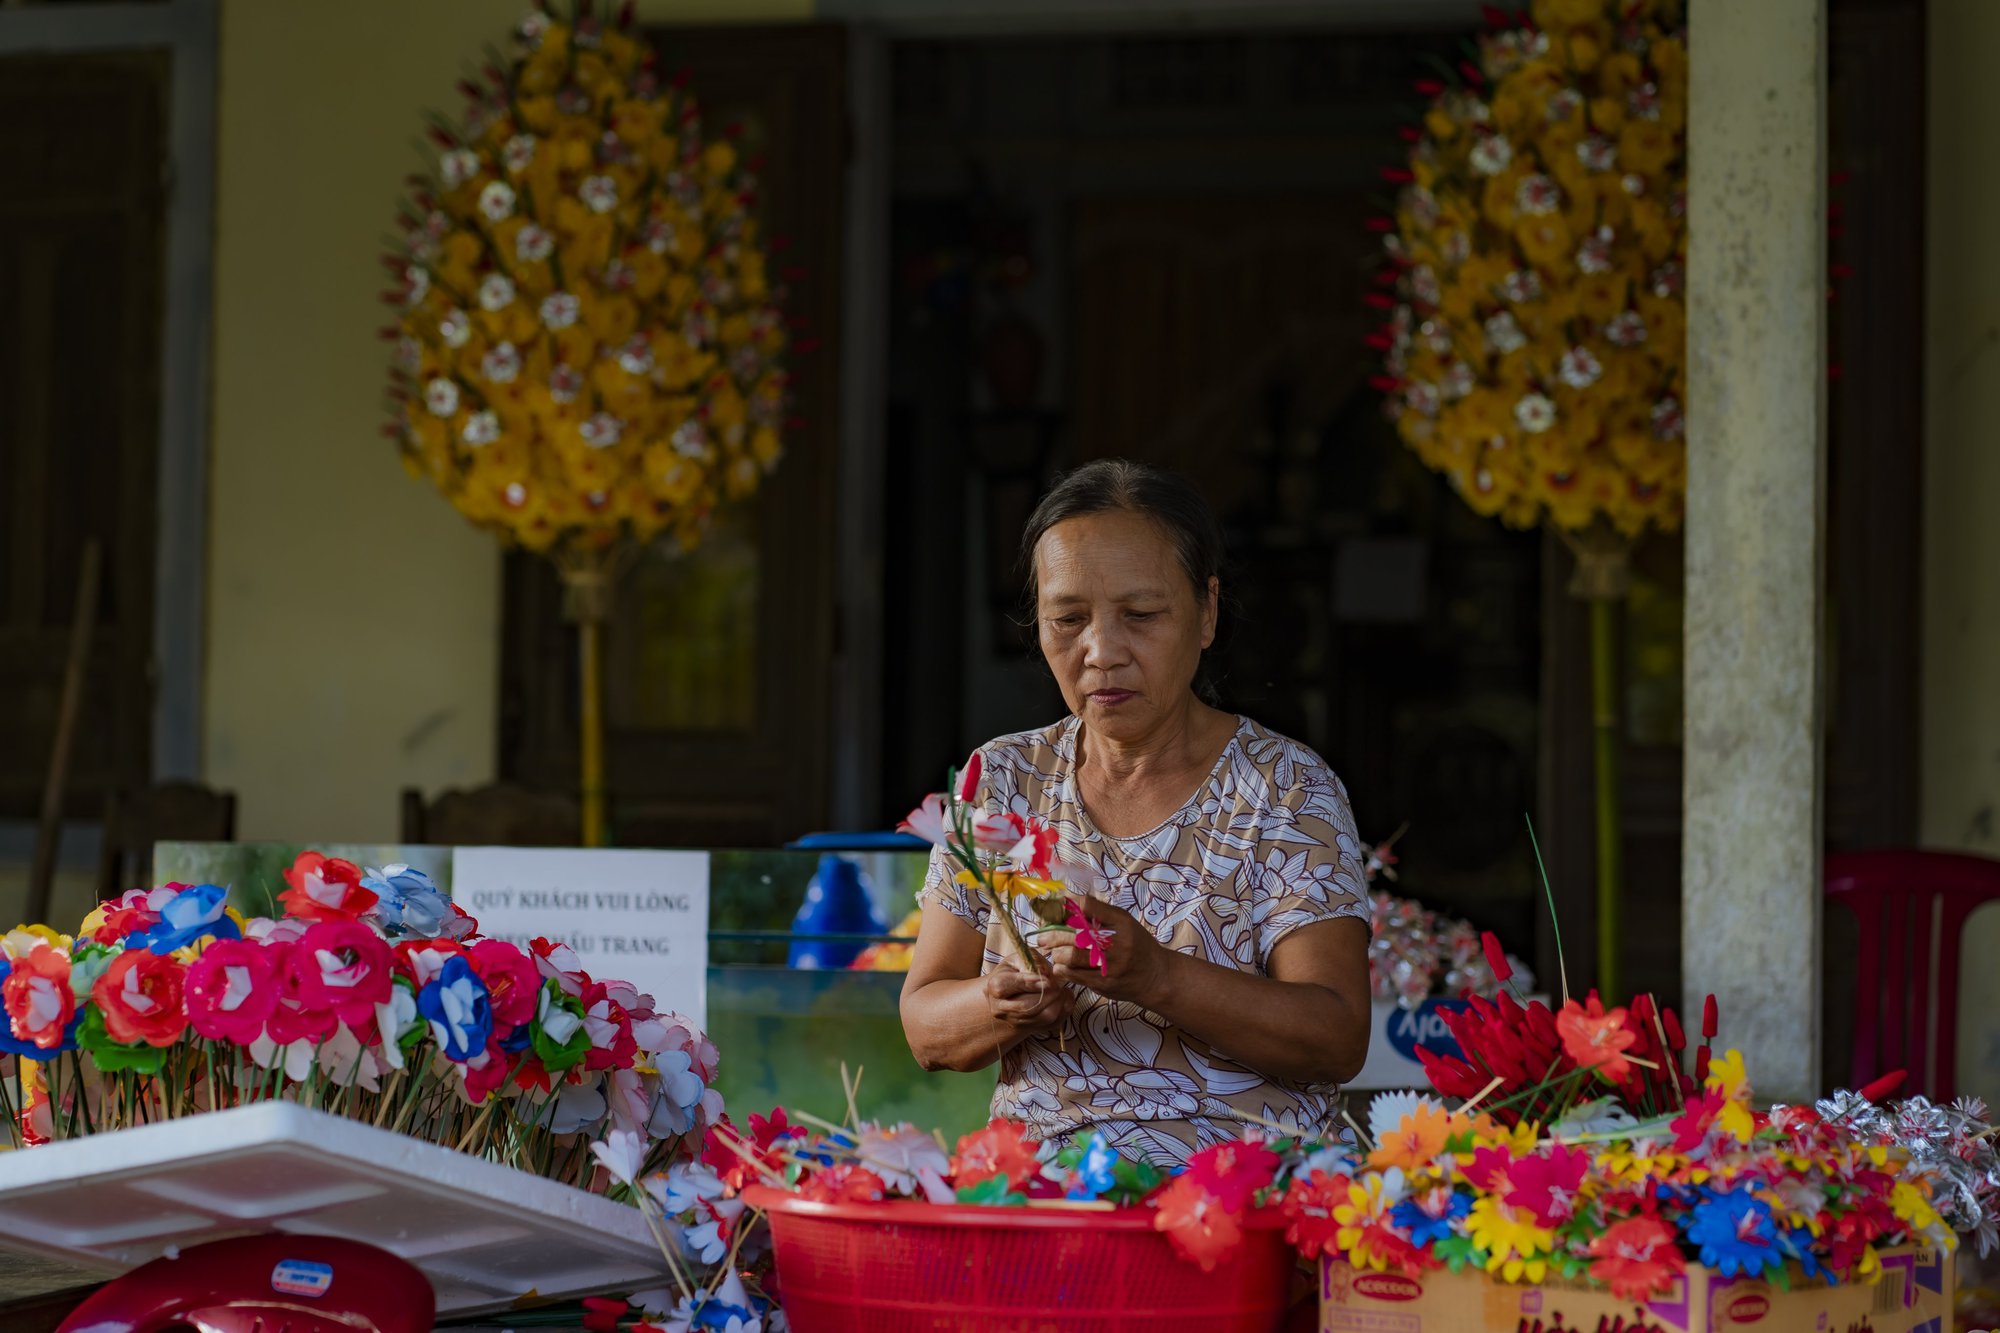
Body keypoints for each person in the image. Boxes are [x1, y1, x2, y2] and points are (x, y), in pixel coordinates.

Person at [899, 458, 1372, 1168]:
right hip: (1046, 1196)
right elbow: (926, 1025)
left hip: (1240, 1197)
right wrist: (1002, 1002)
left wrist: (1157, 975)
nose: (1101, 651)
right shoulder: (1001, 779)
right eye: (1068, 618)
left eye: (1141, 615)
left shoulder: (1286, 787)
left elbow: (1336, 1035)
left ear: (1206, 611)